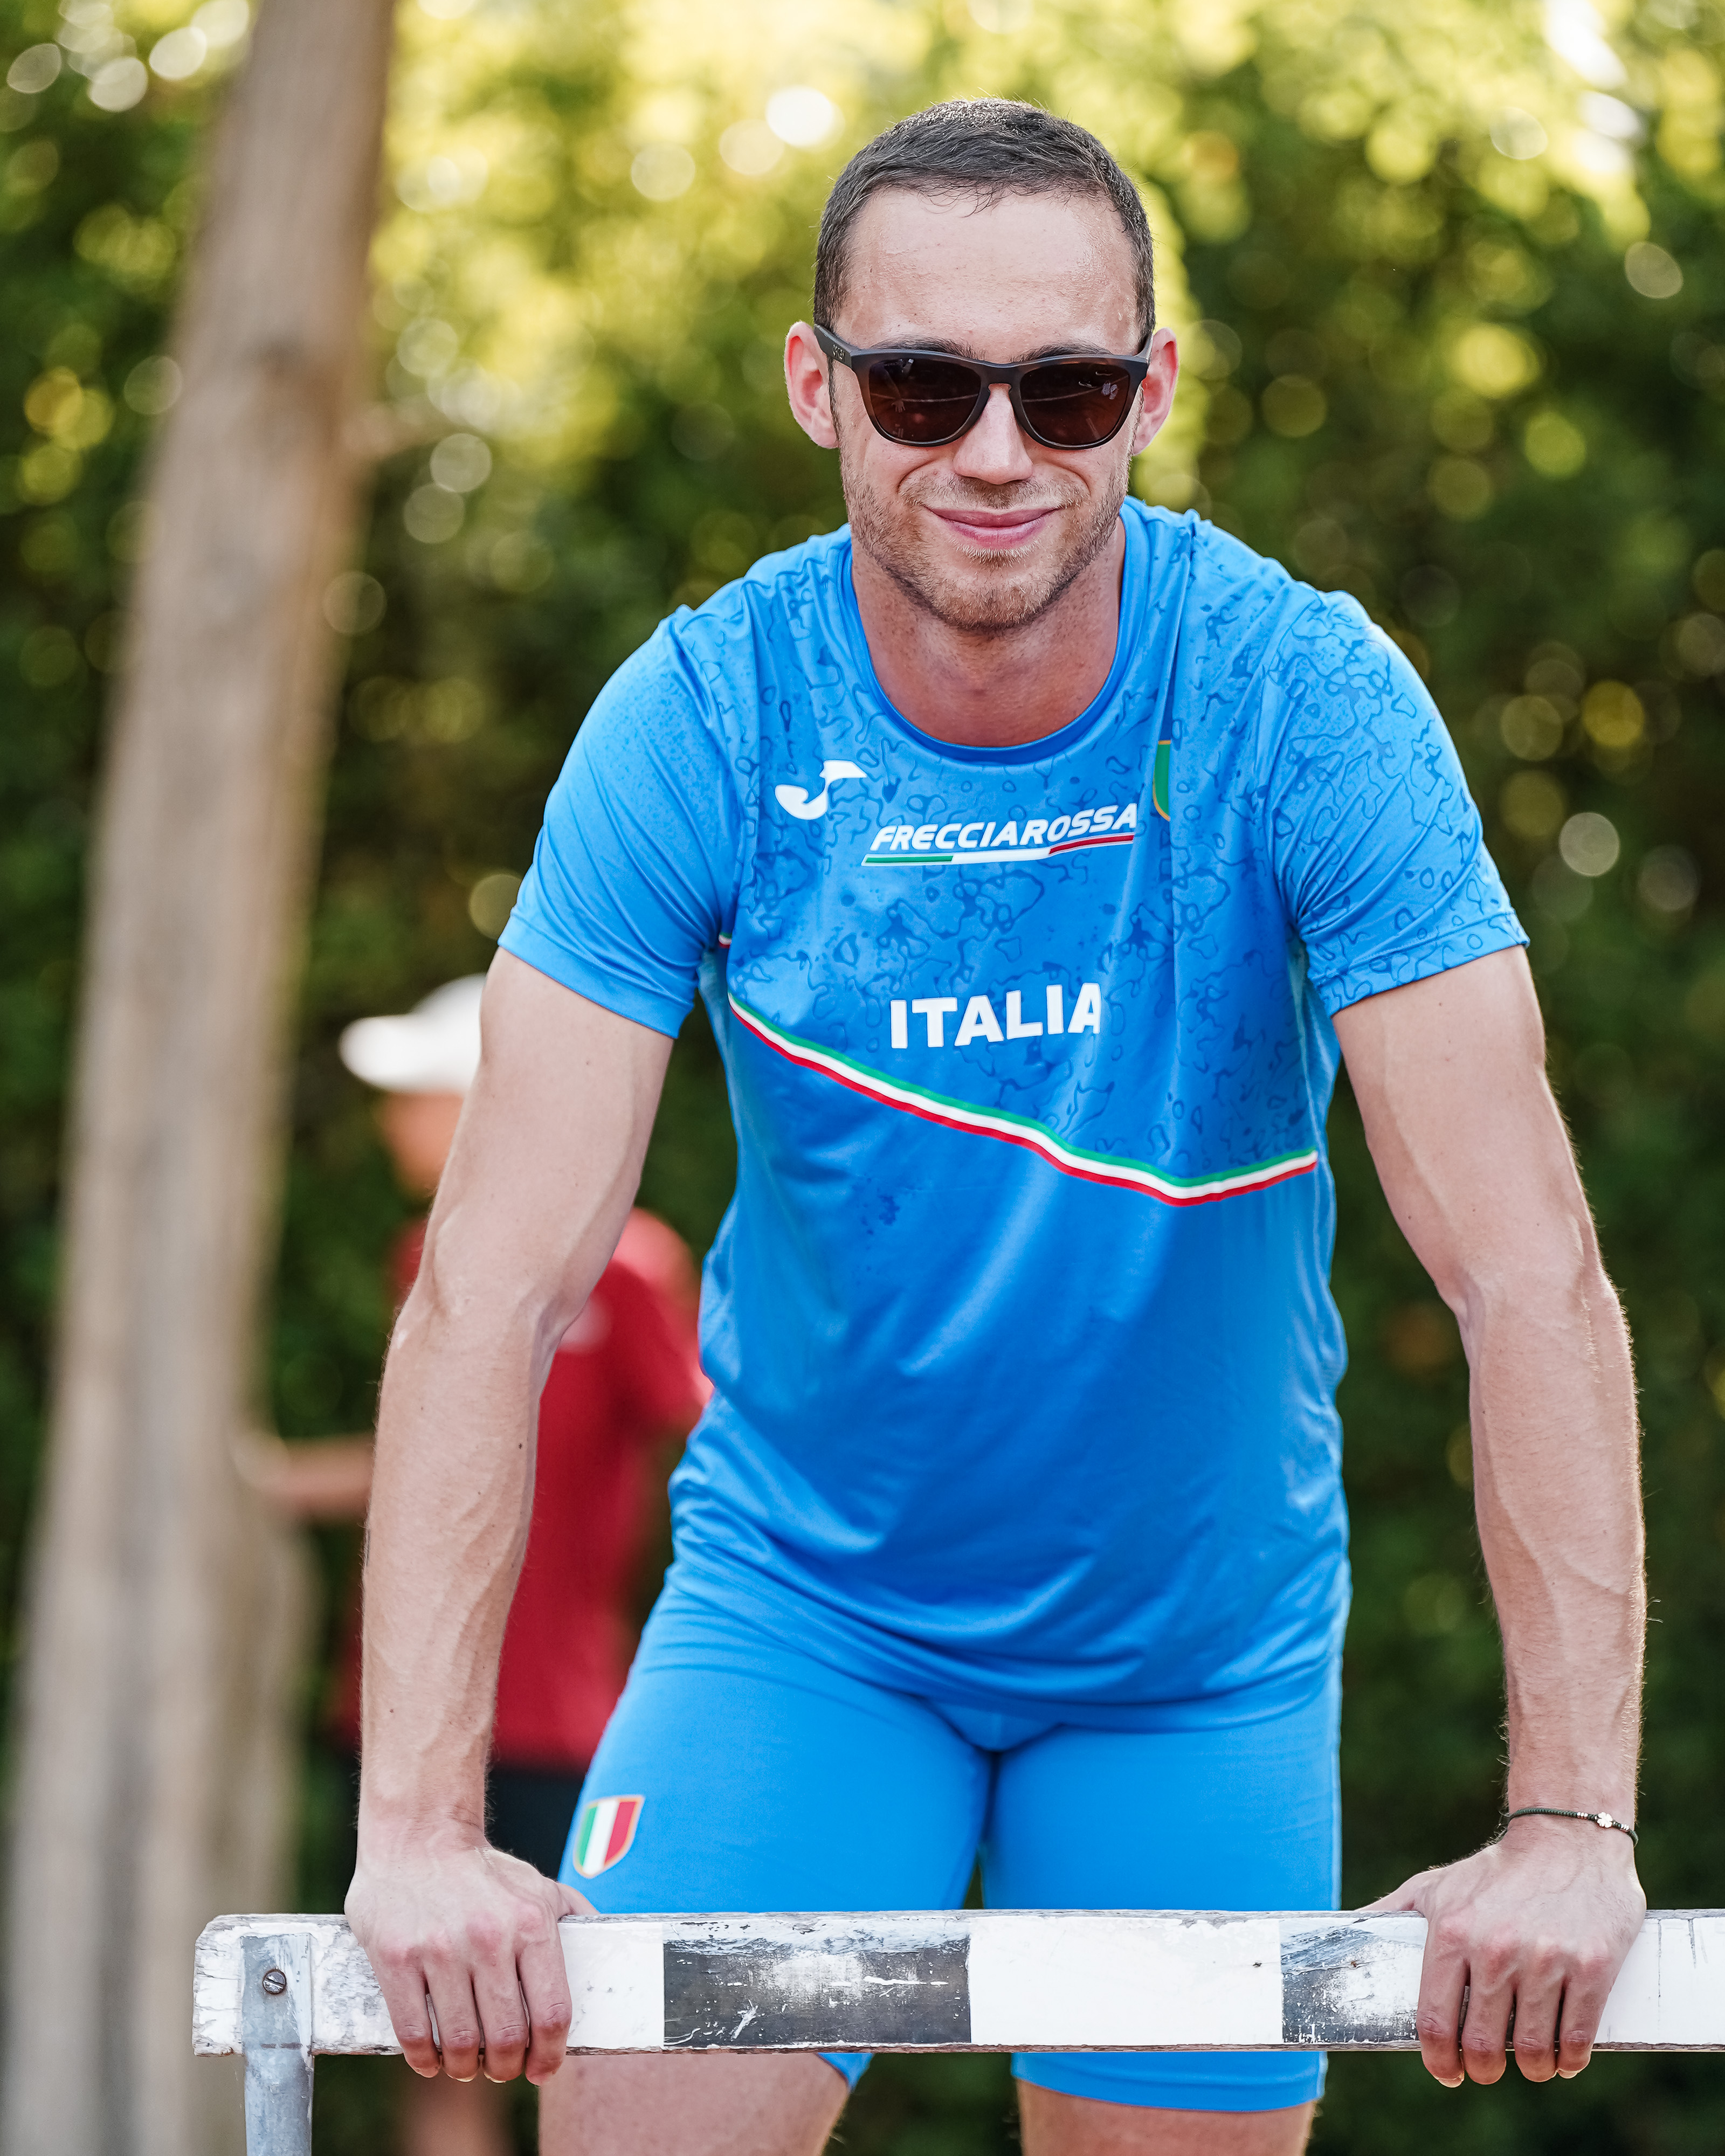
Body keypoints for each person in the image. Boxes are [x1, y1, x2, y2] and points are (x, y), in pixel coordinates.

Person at [345, 101, 1647, 2156]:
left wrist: (1572, 1824)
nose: (997, 450)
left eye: (1068, 390)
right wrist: (418, 1830)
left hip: (1194, 1660)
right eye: (925, 386)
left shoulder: (1302, 702)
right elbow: (489, 1294)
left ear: (1154, 391)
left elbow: (1528, 1275)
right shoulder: (705, 716)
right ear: (818, 387)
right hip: (806, 1626)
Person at [260, 977, 705, 2156]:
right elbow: (428, 1459)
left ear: (484, 1098)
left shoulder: (629, 1268)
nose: (391, 1118)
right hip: (410, 1733)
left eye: (418, 1091)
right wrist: (274, 1481)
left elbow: (708, 1437)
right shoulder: (423, 1254)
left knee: (583, 2040)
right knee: (438, 2049)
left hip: (565, 1715)